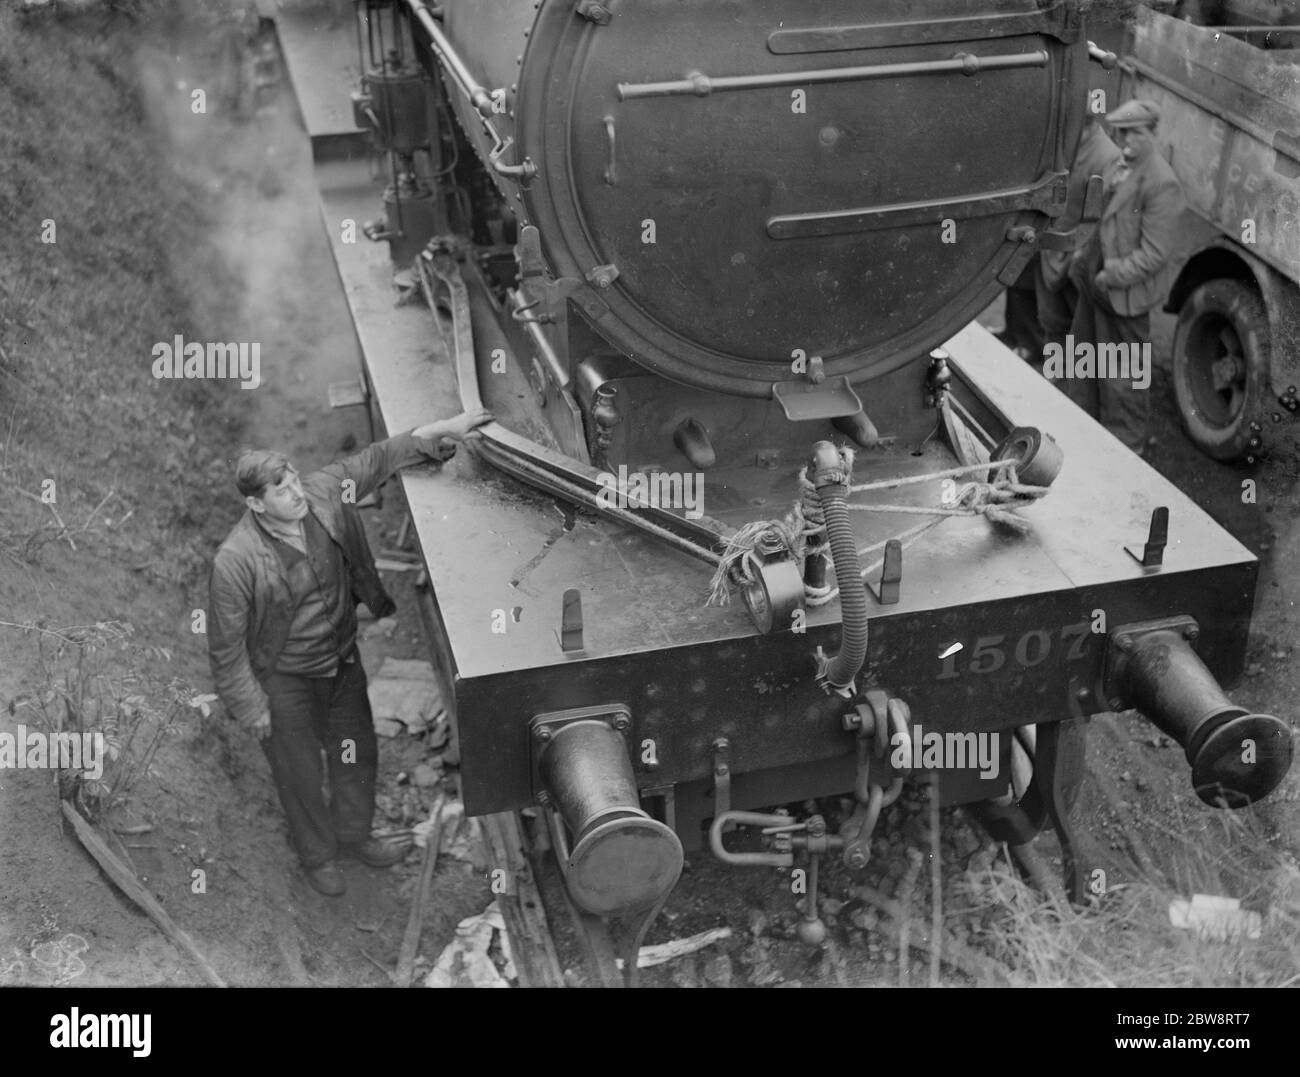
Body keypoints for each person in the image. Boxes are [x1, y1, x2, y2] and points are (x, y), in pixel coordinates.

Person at [208, 408, 492, 896]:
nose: (296, 491)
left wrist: (436, 435)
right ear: (257, 505)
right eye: (281, 490)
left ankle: (355, 837)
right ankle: (318, 855)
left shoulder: (323, 494)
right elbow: (225, 649)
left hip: (340, 664)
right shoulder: (235, 562)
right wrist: (252, 708)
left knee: (355, 754)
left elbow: (377, 459)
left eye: (294, 478)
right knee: (299, 771)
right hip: (285, 681)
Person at [1063, 99, 1186, 455]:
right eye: (1120, 132)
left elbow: (1154, 254)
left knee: (1124, 385)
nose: (1124, 139)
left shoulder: (1163, 184)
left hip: (1122, 296)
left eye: (1133, 132)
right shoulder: (1123, 166)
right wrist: (1085, 263)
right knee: (1082, 365)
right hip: (1095, 285)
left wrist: (1110, 276)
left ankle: (1125, 455)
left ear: (1151, 133)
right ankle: (1081, 439)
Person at [1036, 113, 1121, 362]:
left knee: (1080, 331)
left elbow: (1104, 216)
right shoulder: (1060, 142)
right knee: (1051, 321)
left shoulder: (1108, 155)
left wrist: (1082, 257)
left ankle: (1073, 390)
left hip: (1079, 257)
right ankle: (1054, 377)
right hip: (1050, 248)